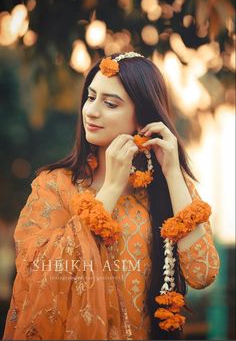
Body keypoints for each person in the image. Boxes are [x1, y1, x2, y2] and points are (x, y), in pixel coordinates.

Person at [3, 52, 220, 340]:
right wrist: (111, 188)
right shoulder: (54, 187)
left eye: (110, 104)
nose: (91, 111)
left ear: (142, 116)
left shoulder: (170, 189)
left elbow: (201, 273)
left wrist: (172, 173)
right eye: (91, 97)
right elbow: (42, 276)